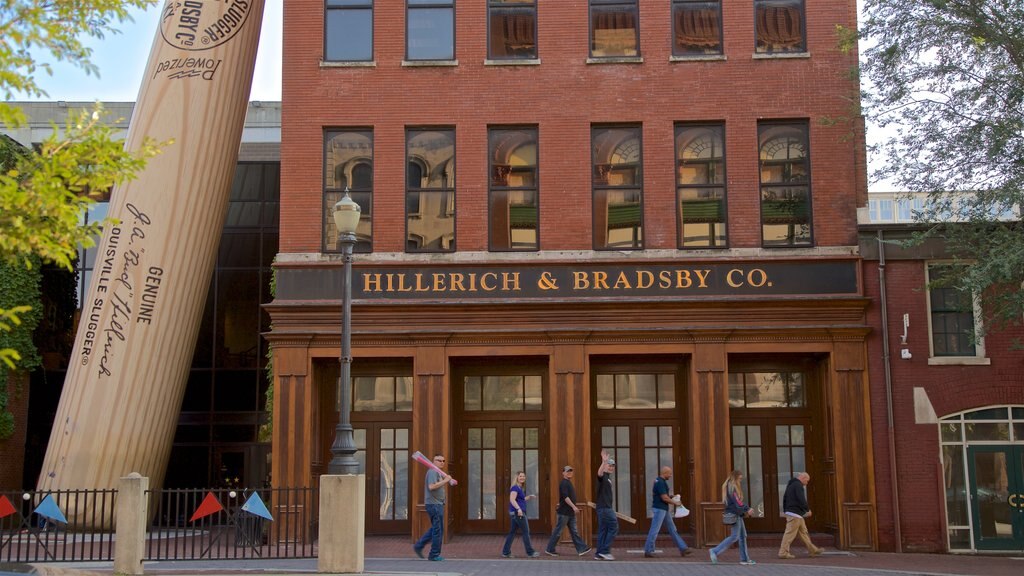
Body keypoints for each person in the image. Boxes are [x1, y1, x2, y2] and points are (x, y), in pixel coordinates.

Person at [413, 454, 456, 562]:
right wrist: (446, 480)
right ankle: (434, 555)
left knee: (435, 528)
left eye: (443, 460)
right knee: (438, 530)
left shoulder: (437, 472)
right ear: (433, 461)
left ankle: (419, 546)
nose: (442, 462)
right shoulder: (432, 471)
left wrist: (447, 480)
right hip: (434, 505)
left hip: (437, 505)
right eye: (439, 460)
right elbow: (431, 486)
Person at [709, 469, 756, 565]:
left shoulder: (729, 486)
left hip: (736, 513)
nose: (740, 480)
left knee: (743, 536)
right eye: (740, 478)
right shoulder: (731, 487)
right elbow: (737, 502)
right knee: (735, 536)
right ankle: (715, 551)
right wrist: (747, 509)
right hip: (735, 514)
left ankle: (744, 559)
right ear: (735, 477)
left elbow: (737, 502)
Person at [643, 466, 693, 557]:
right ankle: (648, 550)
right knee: (655, 529)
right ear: (664, 473)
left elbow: (663, 495)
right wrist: (675, 503)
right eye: (669, 473)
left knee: (672, 529)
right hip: (660, 509)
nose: (670, 475)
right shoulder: (661, 483)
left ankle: (683, 548)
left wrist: (671, 496)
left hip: (663, 509)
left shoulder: (658, 481)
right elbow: (664, 498)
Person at [544, 465, 592, 556]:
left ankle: (582, 549)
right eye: (567, 471)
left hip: (570, 513)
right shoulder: (564, 483)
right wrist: (574, 507)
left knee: (574, 531)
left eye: (571, 471)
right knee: (558, 531)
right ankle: (549, 549)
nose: (569, 472)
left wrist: (573, 508)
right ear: (563, 473)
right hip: (564, 513)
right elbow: (565, 497)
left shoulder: (568, 482)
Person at [778, 472, 824, 559]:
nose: (807, 483)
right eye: (807, 481)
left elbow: (785, 498)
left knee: (804, 533)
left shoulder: (791, 485)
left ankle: (813, 550)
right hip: (795, 514)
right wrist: (807, 509)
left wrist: (785, 511)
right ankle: (783, 552)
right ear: (803, 478)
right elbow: (801, 499)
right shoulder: (798, 485)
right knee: (789, 534)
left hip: (795, 514)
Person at [501, 471, 540, 558]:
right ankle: (530, 552)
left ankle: (505, 552)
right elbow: (512, 499)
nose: (522, 478)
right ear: (517, 478)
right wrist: (518, 509)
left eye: (523, 476)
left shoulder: (519, 487)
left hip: (517, 512)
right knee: (526, 532)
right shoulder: (515, 488)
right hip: (518, 513)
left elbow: (520, 499)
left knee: (512, 532)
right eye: (520, 476)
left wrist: (529, 497)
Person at [594, 449, 618, 561]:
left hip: (603, 508)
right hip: (604, 508)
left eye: (613, 466)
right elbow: (599, 473)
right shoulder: (603, 477)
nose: (611, 467)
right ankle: (605, 551)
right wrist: (603, 462)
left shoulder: (608, 478)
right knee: (614, 527)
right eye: (610, 465)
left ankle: (599, 553)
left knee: (603, 530)